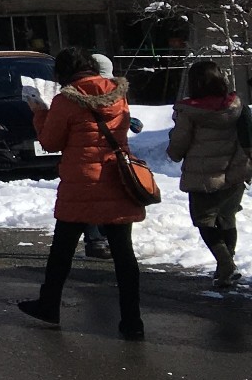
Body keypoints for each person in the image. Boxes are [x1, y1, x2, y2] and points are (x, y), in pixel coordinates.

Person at [18, 47, 145, 339]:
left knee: (62, 250)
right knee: (124, 254)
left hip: (82, 182)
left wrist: (40, 113)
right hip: (116, 179)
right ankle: (132, 321)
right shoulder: (118, 94)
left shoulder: (65, 100)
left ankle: (49, 305)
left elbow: (50, 142)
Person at [167, 58, 249, 287]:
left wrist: (173, 151)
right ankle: (226, 269)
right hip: (234, 173)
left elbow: (179, 143)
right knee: (226, 218)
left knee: (204, 220)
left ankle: (225, 264)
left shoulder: (190, 110)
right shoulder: (235, 105)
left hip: (203, 176)